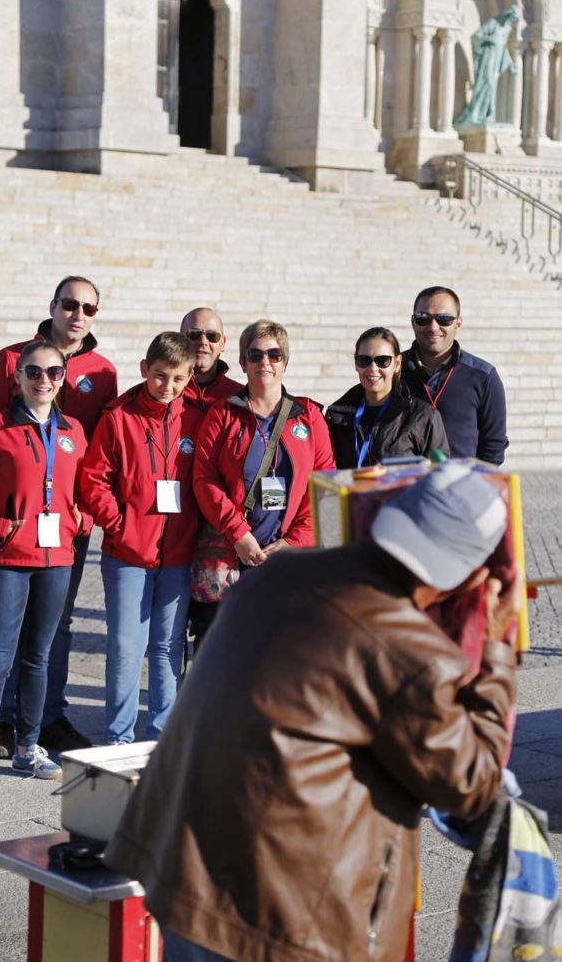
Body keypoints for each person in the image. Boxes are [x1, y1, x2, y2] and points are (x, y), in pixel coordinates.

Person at [104, 463, 522, 962]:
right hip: (278, 922)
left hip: (180, 873)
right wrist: (496, 649)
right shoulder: (404, 649)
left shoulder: (281, 572)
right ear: (470, 578)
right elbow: (471, 783)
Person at [0, 276, 117, 757]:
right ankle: (3, 722)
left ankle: (47, 717)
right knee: (9, 627)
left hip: (68, 525)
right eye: (70, 304)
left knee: (59, 623)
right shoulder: (10, 360)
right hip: (18, 522)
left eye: (88, 307)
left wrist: (87, 510)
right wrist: (5, 507)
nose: (78, 314)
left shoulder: (103, 371)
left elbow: (101, 447)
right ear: (52, 306)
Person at [0, 340, 92, 796]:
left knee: (39, 657)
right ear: (18, 376)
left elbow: (88, 490)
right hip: (7, 560)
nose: (43, 379)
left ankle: (28, 747)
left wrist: (81, 521)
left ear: (63, 378)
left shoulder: (74, 431)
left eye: (53, 372)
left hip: (57, 559)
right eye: (33, 371)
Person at [79, 333, 202, 744]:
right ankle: (119, 737)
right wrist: (120, 527)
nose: (168, 387)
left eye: (178, 379)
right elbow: (94, 480)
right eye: (160, 376)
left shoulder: (197, 417)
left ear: (189, 378)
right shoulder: (119, 417)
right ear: (144, 369)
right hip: (127, 554)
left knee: (167, 648)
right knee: (126, 648)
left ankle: (163, 736)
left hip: (178, 554)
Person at [193, 319, 335, 574]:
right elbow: (204, 479)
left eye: (274, 354)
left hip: (291, 556)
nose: (265, 362)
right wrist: (238, 534)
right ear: (243, 363)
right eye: (255, 355)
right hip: (236, 553)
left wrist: (294, 541)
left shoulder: (309, 415)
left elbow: (325, 485)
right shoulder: (223, 414)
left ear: (285, 362)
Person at [180, 308, 243, 650]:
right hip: (167, 529)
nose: (202, 342)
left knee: (212, 630)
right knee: (165, 632)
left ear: (223, 344)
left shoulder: (239, 397)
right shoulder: (164, 387)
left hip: (217, 530)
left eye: (211, 336)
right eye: (193, 335)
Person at [401, 286, 508, 465]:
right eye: (423, 318)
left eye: (444, 319)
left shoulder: (484, 377)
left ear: (458, 323)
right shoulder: (392, 371)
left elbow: (493, 449)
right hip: (405, 487)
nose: (433, 327)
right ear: (413, 322)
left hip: (461, 488)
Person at [326, 326, 449, 468]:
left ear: (397, 364)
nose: (373, 368)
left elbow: (440, 476)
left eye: (382, 360)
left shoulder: (423, 416)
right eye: (364, 360)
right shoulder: (337, 416)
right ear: (356, 365)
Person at [455, 5, 519, 128]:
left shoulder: (506, 29)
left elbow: (503, 48)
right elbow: (476, 36)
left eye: (514, 20)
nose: (512, 21)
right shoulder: (492, 23)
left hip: (496, 62)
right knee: (485, 85)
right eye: (511, 18)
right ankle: (475, 115)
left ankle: (488, 116)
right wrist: (489, 39)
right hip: (486, 60)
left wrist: (511, 64)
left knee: (491, 87)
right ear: (507, 15)